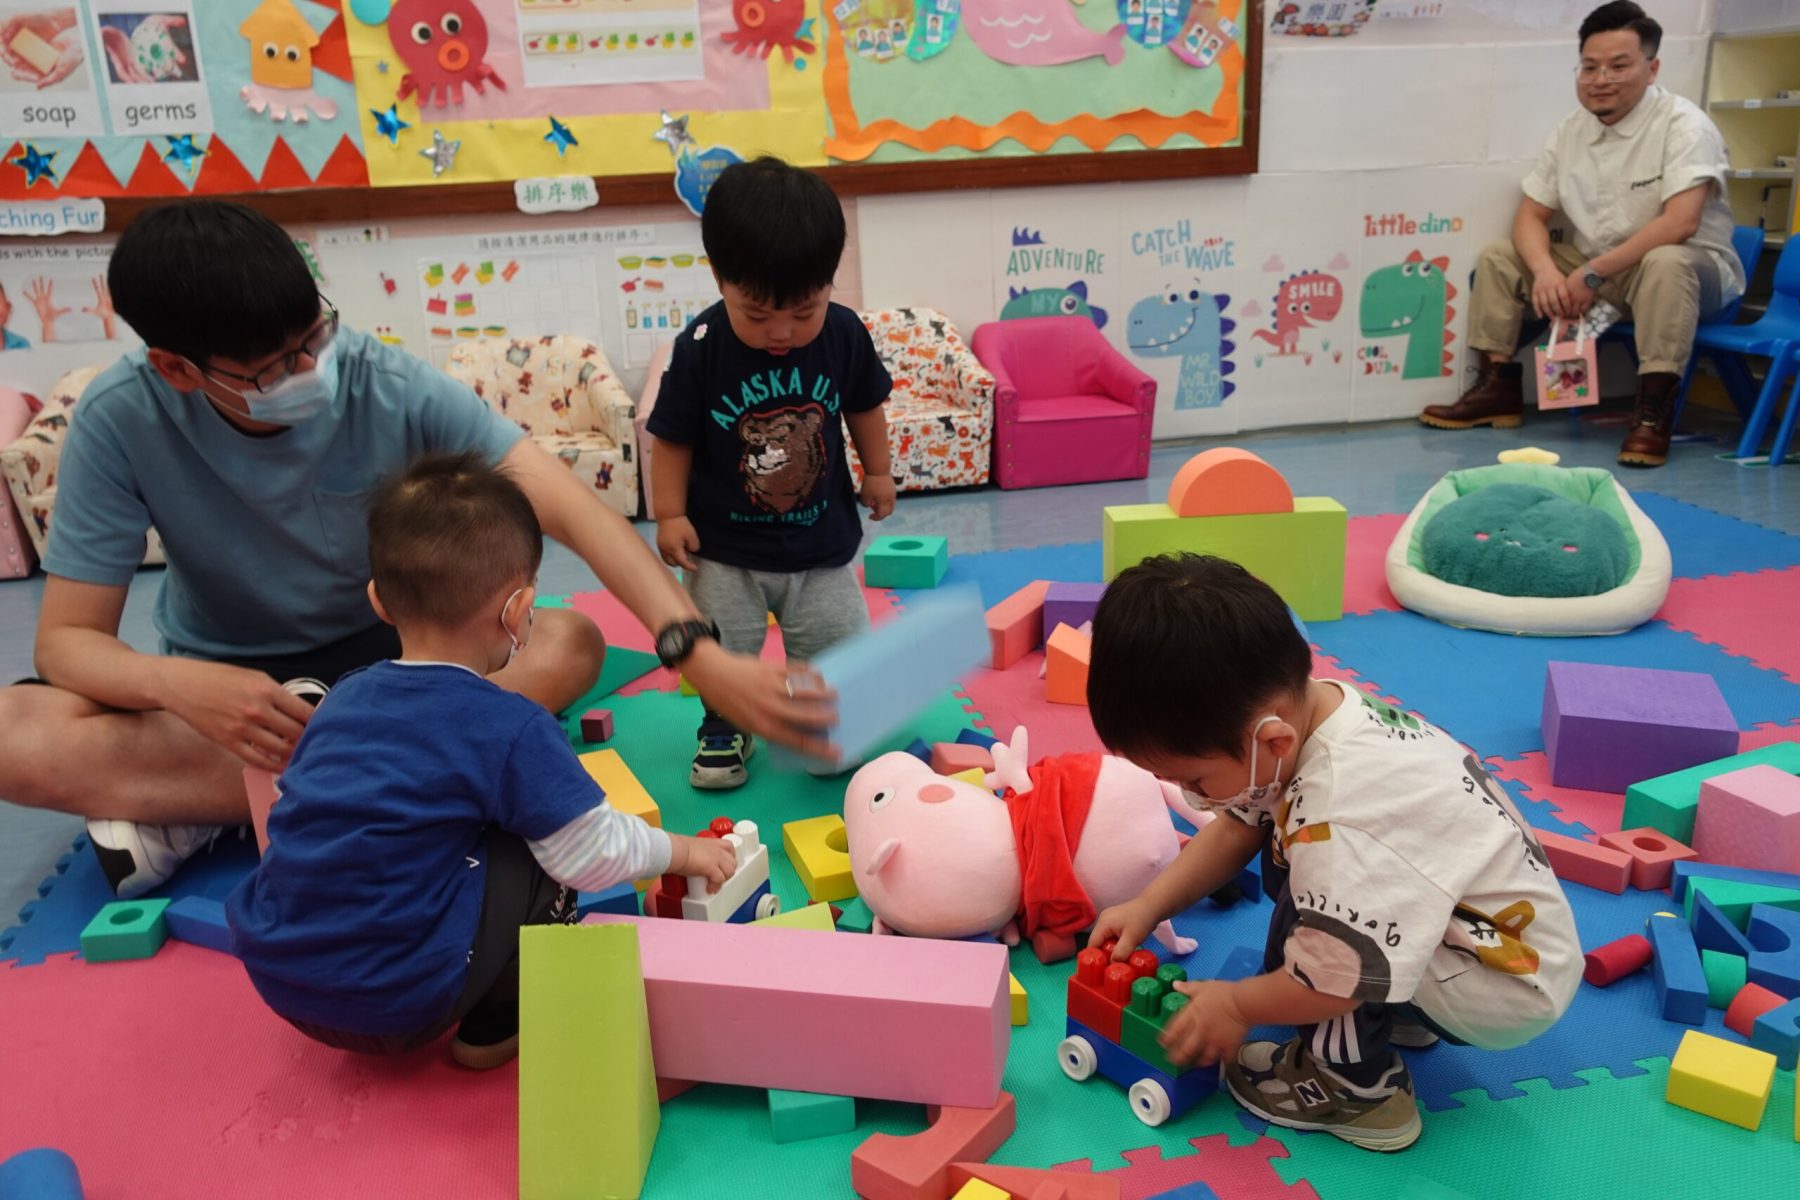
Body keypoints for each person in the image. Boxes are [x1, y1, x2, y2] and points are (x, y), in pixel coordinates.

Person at [0, 199, 835, 899]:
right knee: (13, 732)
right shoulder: (118, 419)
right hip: (238, 692)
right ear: (178, 370)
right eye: (271, 370)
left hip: (401, 666)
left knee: (569, 643)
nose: (309, 369)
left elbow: (573, 510)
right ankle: (396, 783)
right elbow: (66, 643)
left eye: (314, 337)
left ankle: (206, 807)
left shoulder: (382, 381)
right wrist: (179, 684)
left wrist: (696, 652)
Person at [227, 452, 739, 1069]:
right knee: (543, 830)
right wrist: (684, 852)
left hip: (282, 981)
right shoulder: (511, 726)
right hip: (407, 1001)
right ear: (519, 613)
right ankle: (497, 1019)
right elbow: (593, 853)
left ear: (379, 602)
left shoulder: (343, 698)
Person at [1087, 554, 1580, 1151]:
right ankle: (1393, 1013)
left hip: (1499, 984)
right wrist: (1150, 904)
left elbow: (1335, 976)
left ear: (1272, 738)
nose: (1192, 798)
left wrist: (1236, 1005)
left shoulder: (1341, 812)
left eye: (1195, 780)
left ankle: (1356, 1092)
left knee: (1319, 928)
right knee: (1299, 866)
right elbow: (1239, 825)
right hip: (1490, 931)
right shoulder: (1313, 712)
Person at [648, 157, 894, 790]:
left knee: (838, 644)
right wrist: (670, 514)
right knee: (723, 648)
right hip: (724, 549)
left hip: (821, 541)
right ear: (719, 277)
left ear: (829, 283)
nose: (781, 332)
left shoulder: (844, 334)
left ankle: (824, 722)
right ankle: (728, 725)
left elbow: (865, 406)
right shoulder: (700, 346)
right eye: (756, 315)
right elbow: (672, 440)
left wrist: (879, 472)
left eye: (803, 312)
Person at [1420, 2, 1743, 468]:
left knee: (1665, 261)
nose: (1601, 79)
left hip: (1689, 275)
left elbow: (1680, 224)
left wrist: (1590, 274)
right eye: (1590, 67)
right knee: (1499, 257)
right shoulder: (1571, 130)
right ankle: (1498, 389)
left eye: (1619, 66)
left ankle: (1652, 413)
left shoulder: (1686, 125)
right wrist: (1546, 272)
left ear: (1652, 69)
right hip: (1605, 270)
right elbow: (1530, 215)